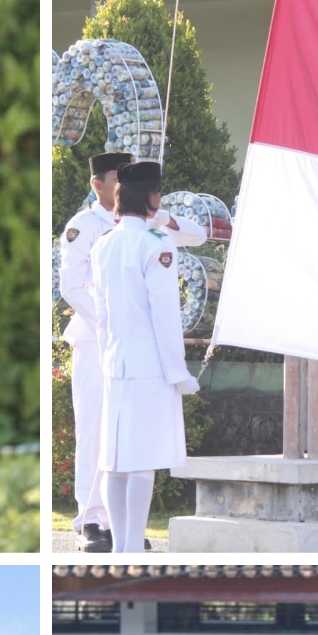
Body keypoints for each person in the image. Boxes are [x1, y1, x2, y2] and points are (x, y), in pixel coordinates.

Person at [92, 159, 199, 553]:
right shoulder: (156, 244)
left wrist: (107, 358)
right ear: (153, 198)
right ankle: (132, 545)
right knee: (141, 461)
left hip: (115, 362)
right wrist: (178, 372)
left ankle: (123, 545)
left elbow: (101, 314)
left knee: (115, 460)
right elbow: (165, 315)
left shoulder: (103, 244)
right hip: (150, 365)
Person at [60, 152, 134, 551]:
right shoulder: (84, 226)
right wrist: (107, 321)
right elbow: (70, 285)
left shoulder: (135, 225)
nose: (124, 185)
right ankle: (89, 519)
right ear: (97, 185)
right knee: (93, 429)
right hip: (94, 339)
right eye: (117, 178)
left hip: (129, 342)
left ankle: (117, 518)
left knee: (123, 432)